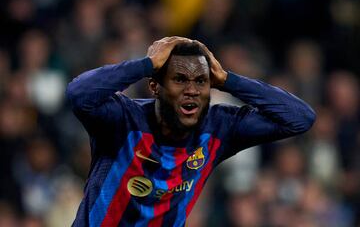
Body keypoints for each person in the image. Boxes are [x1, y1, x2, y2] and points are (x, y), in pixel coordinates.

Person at [66, 36, 316, 226]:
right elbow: (79, 93)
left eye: (201, 81)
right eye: (180, 79)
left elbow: (299, 118)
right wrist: (147, 65)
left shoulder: (218, 128)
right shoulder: (122, 120)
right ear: (155, 86)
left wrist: (228, 80)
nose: (192, 90)